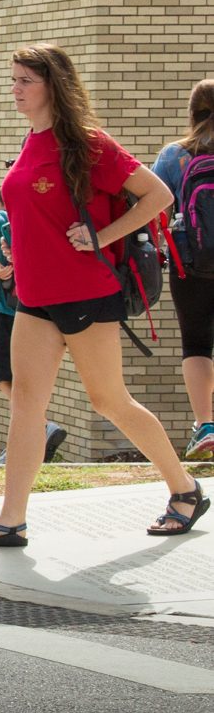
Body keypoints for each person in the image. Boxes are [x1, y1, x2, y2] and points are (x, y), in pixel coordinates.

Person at [0, 43, 199, 548]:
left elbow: (159, 195)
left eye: (25, 80)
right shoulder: (29, 143)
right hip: (34, 297)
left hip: (87, 293)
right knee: (26, 404)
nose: (15, 89)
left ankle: (185, 488)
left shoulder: (87, 143)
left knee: (109, 401)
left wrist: (101, 237)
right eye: (13, 79)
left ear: (52, 85)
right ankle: (11, 519)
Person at [0, 197, 69, 464]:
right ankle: (34, 434)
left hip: (8, 310)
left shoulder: (2, 216)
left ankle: (40, 425)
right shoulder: (38, 217)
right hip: (40, 311)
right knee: (23, 375)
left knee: (2, 363)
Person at [152, 80, 214, 461]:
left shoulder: (175, 155)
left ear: (192, 112)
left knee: (196, 342)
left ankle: (205, 426)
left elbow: (152, 206)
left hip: (190, 264)